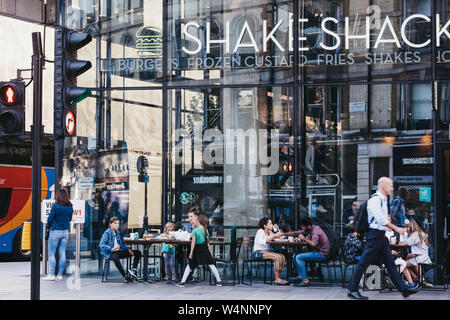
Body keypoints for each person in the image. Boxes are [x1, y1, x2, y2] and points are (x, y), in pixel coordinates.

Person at [347, 177, 420, 299]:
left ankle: (404, 290)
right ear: (382, 186)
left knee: (390, 264)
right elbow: (380, 219)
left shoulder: (384, 199)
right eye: (390, 185)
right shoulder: (375, 200)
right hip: (374, 235)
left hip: (380, 236)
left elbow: (384, 219)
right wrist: (396, 228)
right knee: (364, 263)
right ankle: (352, 289)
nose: (392, 188)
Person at [277, 216, 330, 287]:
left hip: (322, 254)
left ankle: (305, 281)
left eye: (303, 227)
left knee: (299, 257)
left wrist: (304, 238)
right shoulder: (309, 229)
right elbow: (295, 233)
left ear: (308, 226)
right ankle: (301, 276)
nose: (302, 228)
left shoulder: (315, 231)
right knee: (295, 256)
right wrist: (282, 234)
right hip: (318, 252)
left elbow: (314, 244)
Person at [176, 214, 222, 287]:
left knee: (190, 265)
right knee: (211, 264)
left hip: (197, 249)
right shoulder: (205, 230)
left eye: (197, 220)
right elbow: (207, 241)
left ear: (199, 221)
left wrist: (191, 252)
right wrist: (208, 248)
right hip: (204, 248)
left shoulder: (195, 230)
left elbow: (193, 242)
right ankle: (219, 281)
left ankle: (182, 282)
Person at [43, 189, 74, 281]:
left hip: (55, 230)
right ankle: (60, 275)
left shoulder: (56, 206)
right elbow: (69, 219)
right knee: (62, 253)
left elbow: (50, 218)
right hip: (65, 232)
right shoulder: (70, 207)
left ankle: (52, 274)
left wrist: (48, 227)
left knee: (51, 253)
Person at [99, 217, 142, 283]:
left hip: (118, 251)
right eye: (115, 223)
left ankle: (133, 271)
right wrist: (111, 248)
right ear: (110, 224)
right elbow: (101, 245)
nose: (117, 225)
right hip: (110, 253)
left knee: (137, 252)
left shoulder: (117, 232)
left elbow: (121, 245)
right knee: (115, 257)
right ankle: (125, 276)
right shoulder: (107, 233)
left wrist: (128, 249)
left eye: (118, 223)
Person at [253, 217, 289, 285]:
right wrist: (272, 237)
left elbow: (279, 237)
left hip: (266, 252)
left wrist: (278, 231)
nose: (272, 225)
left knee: (282, 257)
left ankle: (278, 277)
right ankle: (277, 279)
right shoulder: (260, 231)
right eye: (270, 223)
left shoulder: (270, 232)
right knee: (277, 257)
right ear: (265, 226)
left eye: (271, 223)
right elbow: (261, 241)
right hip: (259, 252)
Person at [385, 215, 415, 288]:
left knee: (413, 259)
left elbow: (402, 243)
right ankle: (410, 282)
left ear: (391, 221)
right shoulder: (382, 232)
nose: (387, 220)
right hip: (387, 254)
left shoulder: (396, 233)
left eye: (388, 218)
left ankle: (414, 281)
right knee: (403, 262)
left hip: (398, 252)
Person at [402, 219, 433, 288]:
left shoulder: (415, 234)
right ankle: (419, 279)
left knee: (402, 264)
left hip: (420, 258)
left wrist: (404, 233)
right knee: (407, 262)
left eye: (407, 227)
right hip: (422, 257)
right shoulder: (419, 233)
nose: (406, 228)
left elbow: (407, 243)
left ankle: (412, 283)